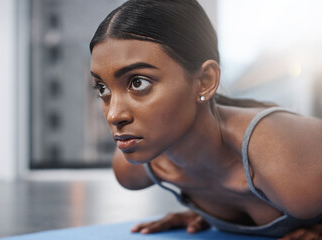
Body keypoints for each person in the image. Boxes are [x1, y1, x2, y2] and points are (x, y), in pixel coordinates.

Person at [89, 0, 322, 239]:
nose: (114, 114)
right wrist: (207, 215)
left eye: (139, 82)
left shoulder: (279, 154)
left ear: (205, 81)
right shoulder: (134, 167)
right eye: (102, 88)